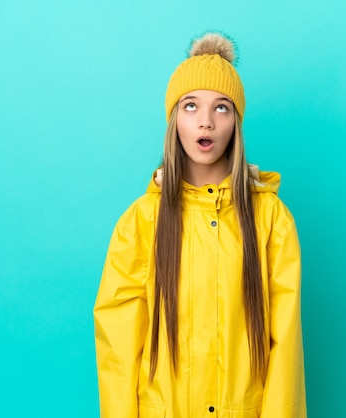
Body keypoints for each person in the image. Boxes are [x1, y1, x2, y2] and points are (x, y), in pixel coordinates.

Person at [93, 31, 306, 418]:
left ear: (236, 123)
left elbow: (285, 345)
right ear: (174, 119)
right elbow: (118, 349)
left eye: (221, 108)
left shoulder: (272, 220)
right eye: (190, 106)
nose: (205, 122)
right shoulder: (140, 222)